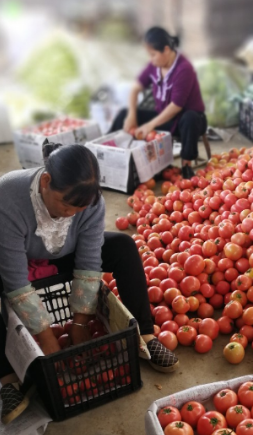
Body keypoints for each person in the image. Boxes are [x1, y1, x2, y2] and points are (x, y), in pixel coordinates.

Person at [0, 143, 178, 425]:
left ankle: (145, 336)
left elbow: (88, 263)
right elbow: (15, 280)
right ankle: (7, 378)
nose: (71, 214)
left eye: (79, 208)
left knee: (123, 246)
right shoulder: (8, 196)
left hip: (66, 255)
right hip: (20, 257)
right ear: (46, 182)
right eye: (66, 205)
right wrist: (49, 343)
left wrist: (80, 325)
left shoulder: (92, 203)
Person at [110, 27, 207, 180]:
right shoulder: (154, 67)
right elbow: (135, 88)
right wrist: (131, 115)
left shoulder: (184, 69)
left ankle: (186, 165)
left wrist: (150, 125)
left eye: (153, 54)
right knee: (123, 113)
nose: (151, 59)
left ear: (166, 50)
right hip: (165, 118)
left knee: (190, 118)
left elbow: (176, 106)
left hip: (188, 121)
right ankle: (106, 152)